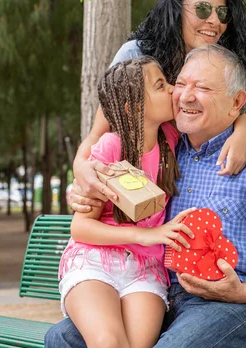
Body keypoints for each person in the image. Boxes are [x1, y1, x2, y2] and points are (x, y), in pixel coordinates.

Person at [46, 46, 246, 347]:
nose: (185, 95)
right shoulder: (170, 147)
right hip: (165, 298)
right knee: (62, 339)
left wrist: (242, 292)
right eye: (182, 83)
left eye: (202, 88)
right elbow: (118, 136)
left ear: (237, 101)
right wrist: (83, 177)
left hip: (234, 304)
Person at [70, 0, 246, 238]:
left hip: (184, 199)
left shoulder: (227, 68)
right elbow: (97, 135)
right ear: (176, 10)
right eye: (203, 9)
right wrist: (81, 170)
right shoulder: (137, 57)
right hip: (131, 210)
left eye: (222, 12)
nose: (215, 21)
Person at [58, 57, 196, 348]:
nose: (172, 90)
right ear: (133, 108)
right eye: (161, 86)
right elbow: (81, 228)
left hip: (145, 270)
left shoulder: (170, 138)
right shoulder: (111, 146)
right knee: (108, 342)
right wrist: (146, 235)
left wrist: (243, 130)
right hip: (95, 261)